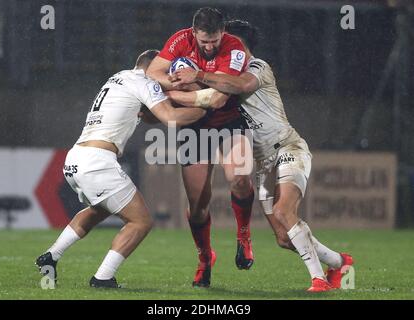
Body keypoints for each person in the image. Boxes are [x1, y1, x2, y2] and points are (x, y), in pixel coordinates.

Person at [169, 20, 354, 292]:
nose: (224, 52)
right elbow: (207, 97)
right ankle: (340, 261)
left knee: (283, 211)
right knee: (282, 236)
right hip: (263, 163)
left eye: (230, 46)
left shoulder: (257, 67)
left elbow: (238, 86)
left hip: (288, 149)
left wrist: (195, 75)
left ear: (240, 47)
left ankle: (319, 280)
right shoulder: (222, 75)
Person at [35, 49, 206, 289]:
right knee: (141, 222)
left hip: (76, 158)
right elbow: (170, 118)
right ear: (155, 68)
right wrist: (204, 108)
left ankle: (51, 256)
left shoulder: (119, 77)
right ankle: (103, 277)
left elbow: (146, 115)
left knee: (99, 210)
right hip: (98, 162)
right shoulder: (145, 81)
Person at [147, 7, 255, 288]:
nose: (209, 47)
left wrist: (181, 87)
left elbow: (219, 99)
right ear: (194, 33)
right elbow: (152, 71)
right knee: (198, 205)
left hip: (228, 121)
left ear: (223, 34)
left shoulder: (234, 47)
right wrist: (173, 81)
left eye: (214, 41)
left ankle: (243, 235)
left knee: (240, 178)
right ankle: (205, 258)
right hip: (193, 128)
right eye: (204, 41)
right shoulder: (181, 39)